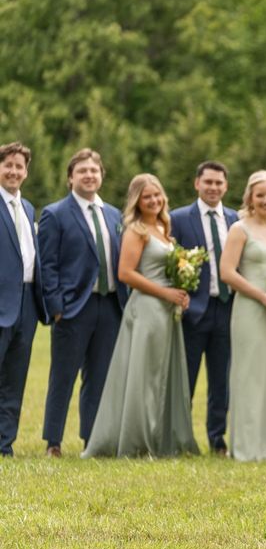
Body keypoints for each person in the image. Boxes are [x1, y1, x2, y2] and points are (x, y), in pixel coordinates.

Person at [83, 174, 199, 458]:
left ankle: (161, 438)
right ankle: (138, 441)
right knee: (144, 376)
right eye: (147, 196)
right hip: (147, 308)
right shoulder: (135, 230)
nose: (154, 200)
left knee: (161, 374)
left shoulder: (162, 226)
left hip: (166, 310)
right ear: (137, 200)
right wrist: (165, 293)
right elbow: (126, 274)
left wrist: (180, 291)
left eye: (157, 195)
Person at [39, 148, 127, 457]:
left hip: (110, 305)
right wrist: (57, 307)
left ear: (101, 175)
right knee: (63, 376)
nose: (89, 175)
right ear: (70, 178)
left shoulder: (115, 215)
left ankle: (92, 439)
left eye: (94, 170)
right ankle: (53, 441)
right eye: (82, 171)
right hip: (74, 307)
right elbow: (47, 265)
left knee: (99, 376)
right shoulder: (55, 213)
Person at [219, 170, 266, 461]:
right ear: (250, 197)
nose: (265, 200)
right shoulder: (239, 229)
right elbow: (226, 272)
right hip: (251, 309)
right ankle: (247, 445)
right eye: (260, 195)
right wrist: (263, 296)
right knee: (249, 374)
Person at [169, 161, 238, 455]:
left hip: (227, 307)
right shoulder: (179, 218)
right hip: (193, 309)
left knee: (221, 379)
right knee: (187, 377)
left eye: (218, 183)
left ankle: (216, 438)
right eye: (208, 182)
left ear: (226, 186)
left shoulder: (235, 219)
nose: (213, 188)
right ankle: (181, 437)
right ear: (197, 183)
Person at [0, 142, 45, 457]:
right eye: (8, 165)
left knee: (14, 380)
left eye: (19, 166)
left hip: (27, 303)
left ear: (26, 172)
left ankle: (4, 445)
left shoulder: (28, 208)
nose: (14, 171)